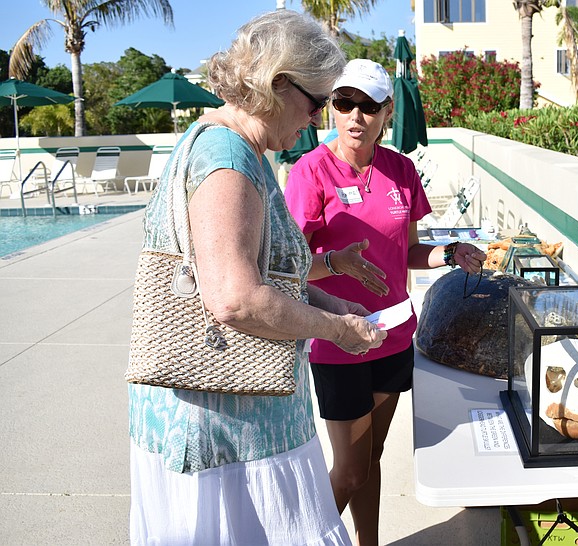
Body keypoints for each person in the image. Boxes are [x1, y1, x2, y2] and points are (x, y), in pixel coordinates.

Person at [127, 12, 387, 545]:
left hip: (233, 418)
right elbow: (236, 298)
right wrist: (335, 330)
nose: (318, 122)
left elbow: (265, 272)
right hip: (228, 434)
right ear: (278, 85)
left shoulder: (239, 150)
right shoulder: (227, 159)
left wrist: (331, 303)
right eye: (318, 103)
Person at [284, 59, 487, 545]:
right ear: (332, 107)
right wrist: (336, 264)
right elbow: (286, 267)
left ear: (387, 112)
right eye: (345, 103)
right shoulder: (310, 173)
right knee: (350, 471)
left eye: (369, 106)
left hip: (394, 336)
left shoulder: (400, 169)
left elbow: (409, 250)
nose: (357, 116)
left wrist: (450, 254)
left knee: (371, 457)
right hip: (339, 340)